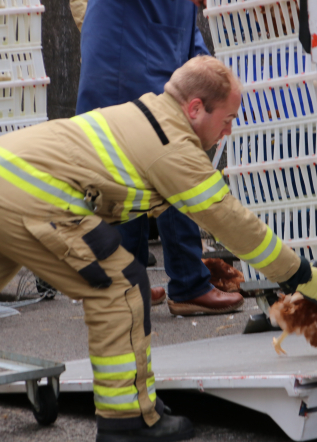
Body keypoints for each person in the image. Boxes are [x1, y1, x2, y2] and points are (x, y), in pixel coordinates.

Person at [0, 57, 317, 442]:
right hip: (29, 198)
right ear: (196, 108)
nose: (227, 132)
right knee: (122, 284)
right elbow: (232, 222)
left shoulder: (144, 116)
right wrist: (303, 276)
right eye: (227, 121)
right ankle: (127, 417)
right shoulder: (173, 146)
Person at [71, 0, 243, 316]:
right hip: (127, 52)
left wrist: (205, 64)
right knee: (162, 153)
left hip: (160, 38)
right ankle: (185, 284)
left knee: (142, 164)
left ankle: (131, 282)